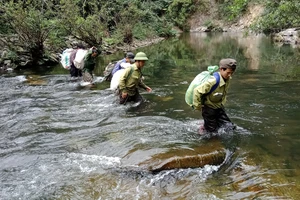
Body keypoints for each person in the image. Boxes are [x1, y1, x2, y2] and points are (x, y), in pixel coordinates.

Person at [193, 58, 237, 133]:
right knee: (212, 133)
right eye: (228, 72)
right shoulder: (213, 81)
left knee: (230, 127)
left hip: (219, 107)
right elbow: (196, 91)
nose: (230, 75)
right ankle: (202, 129)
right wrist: (198, 106)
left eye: (232, 73)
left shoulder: (227, 78)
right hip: (208, 109)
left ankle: (205, 124)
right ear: (221, 69)